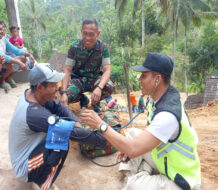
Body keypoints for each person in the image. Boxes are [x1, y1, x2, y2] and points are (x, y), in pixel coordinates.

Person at [80, 52, 201, 190]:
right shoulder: (161, 97)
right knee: (132, 133)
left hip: (181, 179)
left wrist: (101, 125)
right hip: (167, 161)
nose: (139, 79)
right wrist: (129, 148)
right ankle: (140, 174)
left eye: (143, 75)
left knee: (133, 183)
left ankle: (137, 178)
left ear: (157, 79)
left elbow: (132, 149)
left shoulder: (167, 115)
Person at [9, 63, 106, 190]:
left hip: (30, 150)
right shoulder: (35, 114)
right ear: (39, 87)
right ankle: (42, 184)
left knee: (62, 131)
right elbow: (74, 134)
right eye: (53, 85)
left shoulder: (32, 94)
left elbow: (58, 106)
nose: (58, 88)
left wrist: (75, 122)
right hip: (24, 168)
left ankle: (44, 168)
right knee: (61, 140)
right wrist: (104, 138)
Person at [60, 18, 114, 112]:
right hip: (78, 80)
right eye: (85, 33)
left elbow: (107, 70)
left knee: (109, 87)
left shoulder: (103, 47)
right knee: (65, 96)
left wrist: (99, 87)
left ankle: (95, 102)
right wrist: (64, 92)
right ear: (81, 32)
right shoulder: (74, 47)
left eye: (91, 34)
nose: (87, 37)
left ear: (98, 33)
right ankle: (82, 98)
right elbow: (67, 70)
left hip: (95, 79)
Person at [0, 19, 35, 92]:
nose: (0, 32)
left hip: (3, 61)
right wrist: (19, 63)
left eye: (1, 29)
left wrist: (28, 54)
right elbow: (1, 55)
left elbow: (15, 50)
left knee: (22, 58)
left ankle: (7, 78)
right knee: (10, 63)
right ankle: (0, 81)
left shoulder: (3, 39)